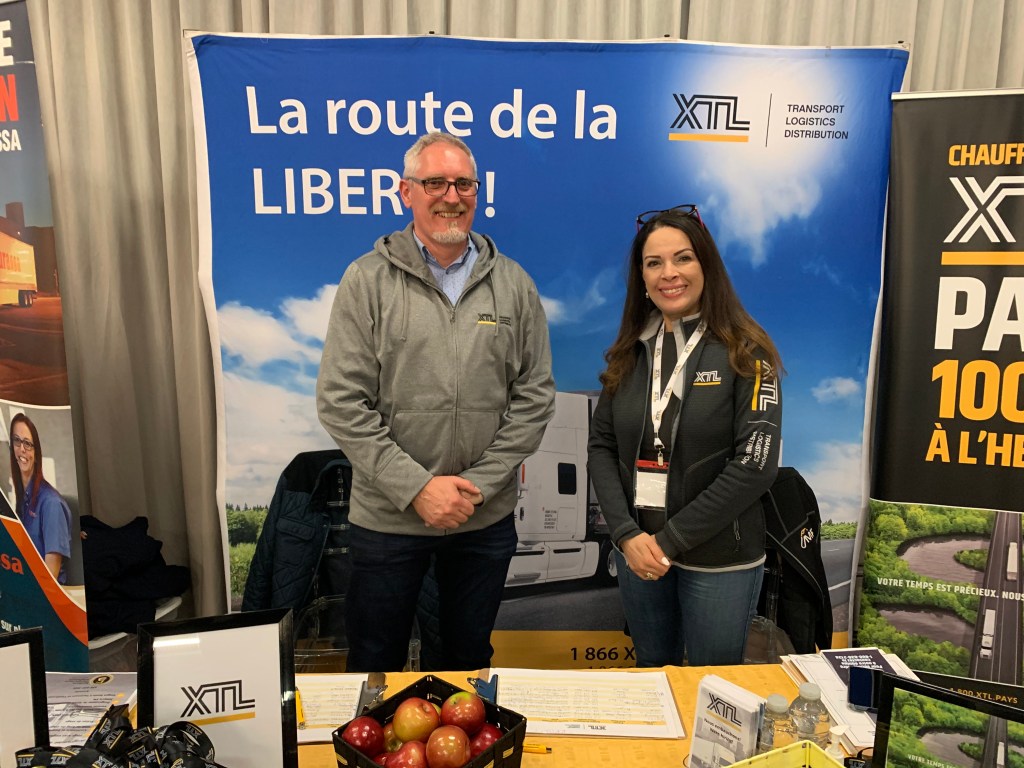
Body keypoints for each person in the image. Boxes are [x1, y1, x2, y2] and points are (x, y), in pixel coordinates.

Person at [316, 132, 555, 673]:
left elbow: (535, 398)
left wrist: (477, 486)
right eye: (436, 183)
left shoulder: (514, 285)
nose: (452, 196)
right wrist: (418, 489)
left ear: (477, 192)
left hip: (481, 520)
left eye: (464, 184)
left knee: (466, 663)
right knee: (375, 662)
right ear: (406, 192)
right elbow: (340, 401)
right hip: (389, 520)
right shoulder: (366, 280)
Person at [587, 205, 783, 667]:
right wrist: (626, 535)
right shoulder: (629, 353)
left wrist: (668, 541)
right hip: (638, 552)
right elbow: (601, 447)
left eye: (683, 258)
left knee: (712, 687)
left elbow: (755, 466)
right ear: (642, 277)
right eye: (654, 263)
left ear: (706, 265)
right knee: (653, 674)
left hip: (719, 559)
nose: (669, 273)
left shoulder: (746, 351)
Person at [9, 413, 72, 583]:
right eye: (17, 441)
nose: (22, 449)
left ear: (36, 454)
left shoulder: (51, 503)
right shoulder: (22, 500)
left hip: (43, 594)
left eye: (28, 444)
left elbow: (49, 580)